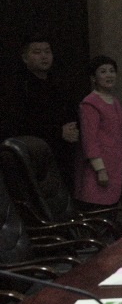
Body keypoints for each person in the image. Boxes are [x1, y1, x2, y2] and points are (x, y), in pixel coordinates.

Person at [3, 33, 80, 190]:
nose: (44, 56)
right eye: (37, 52)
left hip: (62, 156)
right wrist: (58, 131)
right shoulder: (18, 88)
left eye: (47, 51)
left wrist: (73, 129)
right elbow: (18, 125)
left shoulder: (58, 83)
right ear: (25, 58)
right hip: (33, 159)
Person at [73, 55, 122, 212]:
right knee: (98, 212)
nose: (109, 75)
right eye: (103, 72)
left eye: (112, 71)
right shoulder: (90, 103)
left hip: (115, 166)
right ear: (93, 77)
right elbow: (89, 140)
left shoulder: (115, 101)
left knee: (112, 211)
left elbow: (121, 136)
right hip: (97, 170)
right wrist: (100, 169)